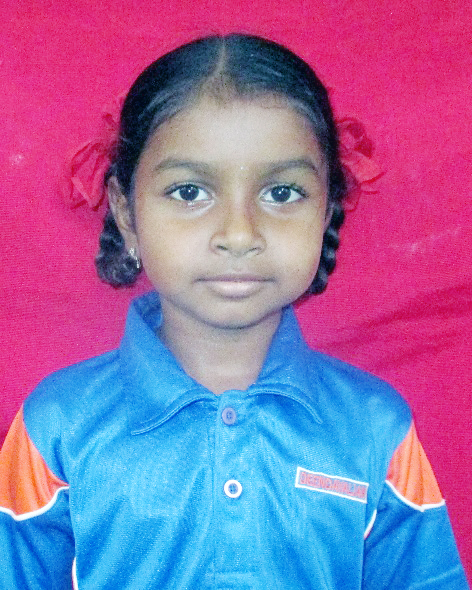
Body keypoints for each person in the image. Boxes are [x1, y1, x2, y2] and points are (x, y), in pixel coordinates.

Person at [0, 34, 468, 589]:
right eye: (189, 192)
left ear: (326, 210)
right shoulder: (58, 425)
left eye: (282, 193)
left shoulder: (374, 427)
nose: (239, 234)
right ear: (126, 213)